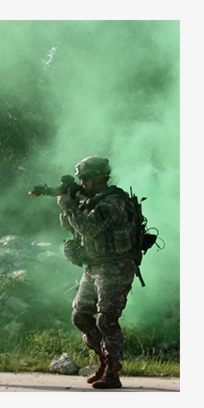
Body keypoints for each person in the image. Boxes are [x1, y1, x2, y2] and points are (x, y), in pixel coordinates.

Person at [57, 156, 140, 389]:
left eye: (85, 178)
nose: (82, 183)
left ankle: (113, 371)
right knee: (80, 316)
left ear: (100, 177)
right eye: (80, 179)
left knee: (106, 319)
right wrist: (69, 204)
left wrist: (70, 205)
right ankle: (104, 361)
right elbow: (69, 225)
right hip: (94, 267)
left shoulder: (113, 202)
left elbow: (89, 229)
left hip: (116, 266)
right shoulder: (92, 201)